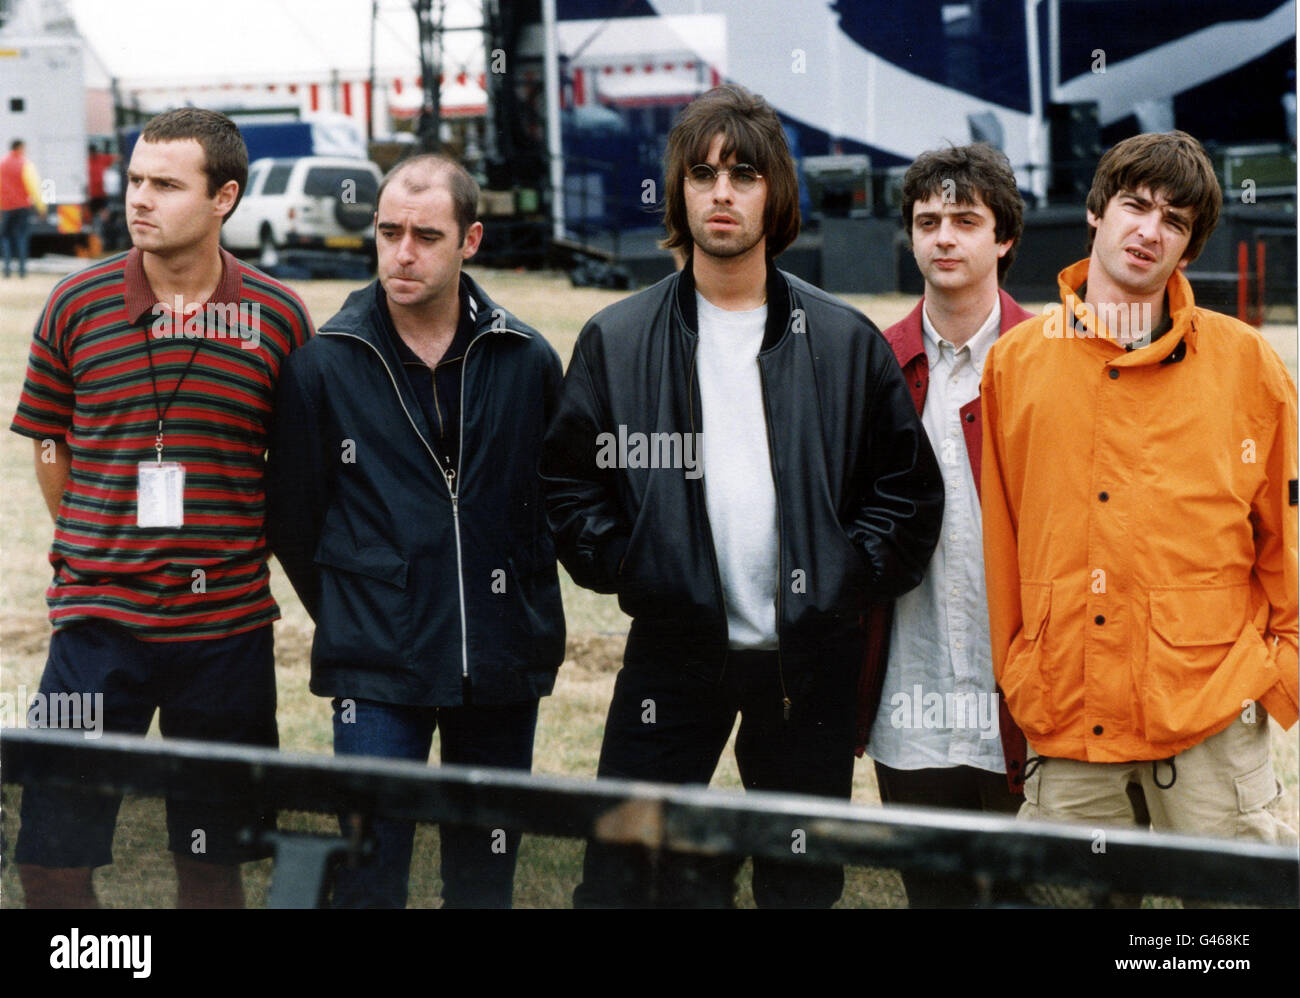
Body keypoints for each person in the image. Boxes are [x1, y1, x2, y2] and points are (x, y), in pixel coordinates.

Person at [541, 83, 943, 908]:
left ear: (777, 193)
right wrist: (631, 562)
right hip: (673, 647)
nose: (721, 192)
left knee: (798, 883)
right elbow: (568, 481)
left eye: (744, 174)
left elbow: (905, 493)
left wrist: (840, 575)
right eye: (702, 173)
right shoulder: (617, 339)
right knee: (620, 873)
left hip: (808, 659)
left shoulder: (841, 339)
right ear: (679, 192)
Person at [11, 108, 314, 908]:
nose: (138, 199)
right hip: (95, 626)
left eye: (165, 185)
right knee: (51, 856)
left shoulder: (278, 317)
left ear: (224, 197)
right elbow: (45, 434)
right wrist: (90, 534)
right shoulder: (75, 303)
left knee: (213, 863)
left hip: (226, 635)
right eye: (136, 181)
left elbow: (296, 471)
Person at [266, 153, 565, 909]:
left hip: (499, 659)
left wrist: (518, 604)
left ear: (471, 242)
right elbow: (294, 517)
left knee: (482, 879)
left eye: (426, 236)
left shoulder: (526, 357)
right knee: (368, 876)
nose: (402, 252)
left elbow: (555, 498)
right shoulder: (323, 365)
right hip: (375, 666)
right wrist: (362, 606)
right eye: (388, 230)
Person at [982, 130, 1297, 847]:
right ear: (1096, 212)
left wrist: (1281, 676)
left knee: (1221, 941)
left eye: (1176, 221)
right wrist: (1020, 672)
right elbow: (1002, 540)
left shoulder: (1248, 365)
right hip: (1067, 709)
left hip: (1214, 713)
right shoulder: (1017, 365)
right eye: (1136, 205)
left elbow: (1288, 535)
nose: (1150, 231)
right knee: (1069, 901)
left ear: (1188, 249)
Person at [855, 143, 1033, 907]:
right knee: (936, 898)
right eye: (928, 220)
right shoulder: (872, 362)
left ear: (1004, 238)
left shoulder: (1052, 357)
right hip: (912, 694)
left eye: (966, 219)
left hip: (1024, 702)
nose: (945, 237)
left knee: (1034, 897)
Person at [1, 139, 47, 278]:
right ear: (20, 148)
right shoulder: (25, 164)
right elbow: (33, 186)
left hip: (6, 207)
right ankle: (22, 271)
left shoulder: (2, 164)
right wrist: (41, 207)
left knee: (5, 237)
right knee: (21, 237)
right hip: (22, 206)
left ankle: (7, 269)